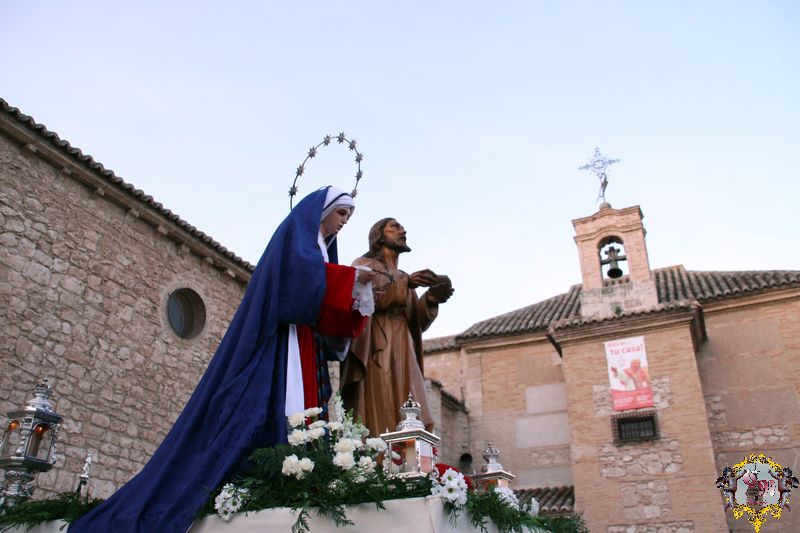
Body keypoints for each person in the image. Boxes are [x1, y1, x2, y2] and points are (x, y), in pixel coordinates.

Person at [71, 186, 374, 533]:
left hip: (304, 343)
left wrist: (354, 293)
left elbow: (322, 303)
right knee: (268, 410)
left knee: (303, 415)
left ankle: (298, 474)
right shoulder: (295, 238)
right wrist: (350, 278)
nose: (343, 223)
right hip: (283, 341)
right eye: (340, 214)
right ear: (321, 210)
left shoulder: (321, 250)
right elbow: (297, 283)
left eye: (348, 217)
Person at [341, 218, 453, 437]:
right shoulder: (364, 264)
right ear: (380, 236)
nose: (403, 231)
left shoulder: (403, 276)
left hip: (404, 344)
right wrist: (406, 284)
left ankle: (409, 458)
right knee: (380, 398)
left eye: (402, 227)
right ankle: (378, 456)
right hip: (376, 343)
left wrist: (431, 298)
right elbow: (359, 299)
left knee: (411, 400)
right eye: (395, 227)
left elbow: (416, 321)